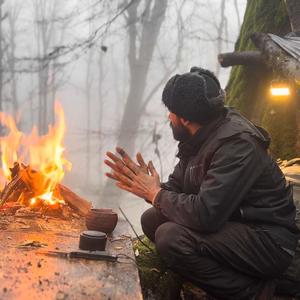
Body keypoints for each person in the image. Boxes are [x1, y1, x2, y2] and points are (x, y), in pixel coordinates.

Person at [104, 67, 300, 300]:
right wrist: (149, 188)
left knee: (170, 238)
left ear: (184, 118)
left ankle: (253, 292)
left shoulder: (237, 145)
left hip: (269, 241)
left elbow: (207, 214)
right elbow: (177, 190)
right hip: (235, 226)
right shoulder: (198, 139)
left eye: (171, 112)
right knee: (152, 219)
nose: (168, 117)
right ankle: (234, 279)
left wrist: (156, 194)